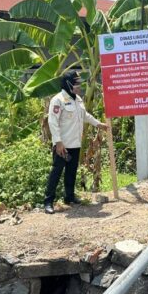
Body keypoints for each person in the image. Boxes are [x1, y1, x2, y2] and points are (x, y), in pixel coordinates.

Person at [44, 71, 108, 215]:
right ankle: (48, 201)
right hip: (62, 144)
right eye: (76, 83)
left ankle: (69, 197)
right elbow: (52, 122)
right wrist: (58, 142)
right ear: (68, 84)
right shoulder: (58, 100)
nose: (79, 86)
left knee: (71, 172)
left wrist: (98, 124)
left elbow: (84, 115)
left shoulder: (78, 99)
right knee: (56, 172)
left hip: (75, 143)